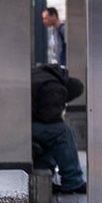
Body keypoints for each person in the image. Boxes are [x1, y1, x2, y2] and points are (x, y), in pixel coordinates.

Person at [30, 62, 85, 194]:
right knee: (63, 132)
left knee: (53, 134)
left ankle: (46, 176)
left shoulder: (44, 74)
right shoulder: (55, 87)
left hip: (18, 123)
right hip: (23, 126)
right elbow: (49, 117)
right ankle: (73, 181)